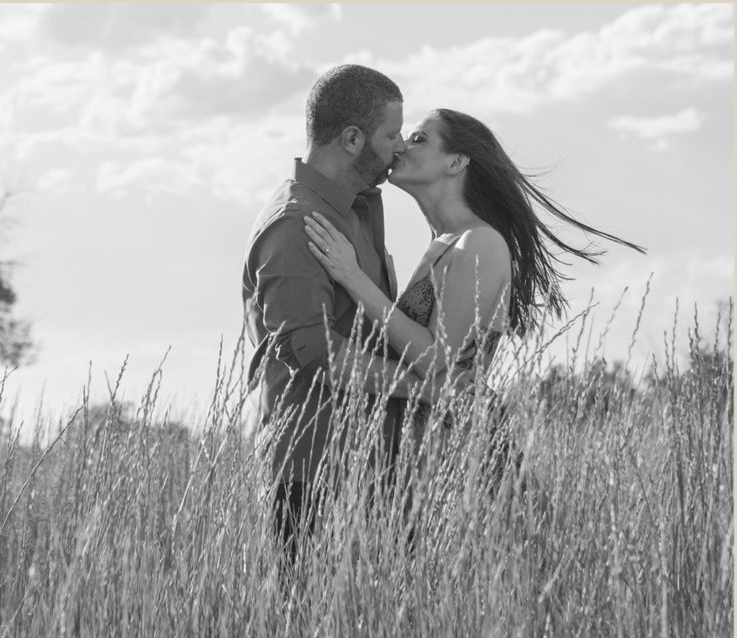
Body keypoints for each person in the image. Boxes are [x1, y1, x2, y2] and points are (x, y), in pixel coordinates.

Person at [303, 108, 645, 444]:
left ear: (456, 162)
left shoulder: (479, 242)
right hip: (431, 451)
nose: (402, 146)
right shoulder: (444, 244)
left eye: (419, 139)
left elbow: (438, 363)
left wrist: (352, 276)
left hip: (465, 451)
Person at [242, 65, 421, 567]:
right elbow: (314, 350)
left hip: (370, 469)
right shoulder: (295, 224)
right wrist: (424, 386)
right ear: (351, 138)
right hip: (313, 478)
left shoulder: (354, 211)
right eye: (391, 134)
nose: (401, 146)